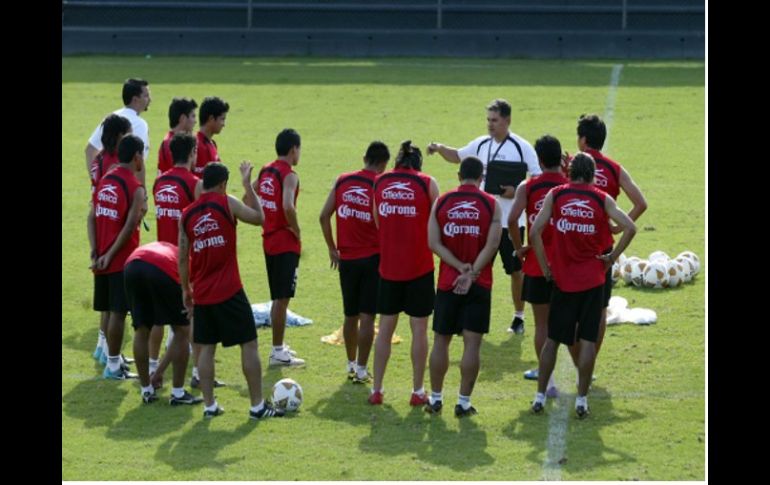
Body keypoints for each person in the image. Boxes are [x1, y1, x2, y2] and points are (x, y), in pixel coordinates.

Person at [528, 153, 636, 418]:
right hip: (593, 281)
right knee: (587, 340)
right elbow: (630, 227)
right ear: (592, 175)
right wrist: (611, 257)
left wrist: (544, 266)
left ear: (570, 172)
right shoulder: (601, 198)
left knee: (552, 340)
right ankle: (582, 400)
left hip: (562, 282)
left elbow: (534, 232)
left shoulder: (556, 195)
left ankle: (540, 396)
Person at [427, 98, 541, 335]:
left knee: (515, 270)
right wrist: (438, 148)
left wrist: (518, 189)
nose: (490, 124)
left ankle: (519, 316)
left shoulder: (522, 147)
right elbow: (457, 156)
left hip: (511, 221)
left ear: (507, 121)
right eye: (488, 120)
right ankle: (467, 316)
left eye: (495, 120)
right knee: (476, 268)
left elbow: (538, 178)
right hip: (480, 221)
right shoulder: (480, 144)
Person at [179, 161, 283, 419]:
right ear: (223, 184)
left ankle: (209, 406)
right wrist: (248, 185)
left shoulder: (187, 215)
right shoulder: (228, 203)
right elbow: (260, 219)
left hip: (202, 293)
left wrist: (186, 290)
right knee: (249, 343)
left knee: (205, 348)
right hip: (229, 291)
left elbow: (183, 257)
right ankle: (257, 406)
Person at [566, 114, 647, 369]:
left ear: (583, 140)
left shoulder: (572, 166)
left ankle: (577, 360)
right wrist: (617, 225)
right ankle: (589, 364)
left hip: (571, 248)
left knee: (569, 309)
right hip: (602, 251)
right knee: (599, 310)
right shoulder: (614, 168)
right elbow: (640, 203)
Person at [425, 156, 501, 417]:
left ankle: (435, 399)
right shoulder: (491, 204)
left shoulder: (442, 202)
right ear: (481, 178)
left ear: (459, 175)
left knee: (441, 341)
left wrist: (458, 267)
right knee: (472, 345)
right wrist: (472, 272)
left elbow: (434, 243)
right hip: (479, 283)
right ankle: (464, 403)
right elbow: (492, 245)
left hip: (448, 282)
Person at [369, 141, 439, 406]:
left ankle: (376, 389)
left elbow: (377, 221)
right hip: (419, 267)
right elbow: (436, 224)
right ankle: (418, 391)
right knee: (419, 330)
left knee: (385, 328)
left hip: (389, 268)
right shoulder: (427, 183)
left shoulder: (380, 182)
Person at [319, 141, 391, 382]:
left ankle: (350, 364)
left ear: (364, 157)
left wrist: (332, 248)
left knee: (350, 316)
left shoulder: (342, 180)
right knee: (368, 316)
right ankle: (361, 369)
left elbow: (323, 216)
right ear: (383, 164)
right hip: (372, 258)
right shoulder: (380, 184)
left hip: (346, 259)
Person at [507, 135, 568, 394]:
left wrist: (519, 247)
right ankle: (580, 371)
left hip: (536, 265)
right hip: (568, 267)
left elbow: (512, 219)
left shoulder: (528, 186)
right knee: (569, 323)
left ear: (539, 160)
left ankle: (549, 382)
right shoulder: (569, 185)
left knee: (542, 325)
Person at [87, 135, 147, 379]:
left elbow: (91, 216)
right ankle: (112, 366)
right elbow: (131, 224)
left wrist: (95, 250)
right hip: (120, 259)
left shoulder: (105, 179)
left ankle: (113, 358)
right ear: (136, 157)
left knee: (110, 311)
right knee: (119, 312)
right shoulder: (135, 188)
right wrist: (111, 254)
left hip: (101, 256)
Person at [149, 132, 202, 380]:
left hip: (158, 259)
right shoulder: (194, 184)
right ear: (192, 153)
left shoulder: (159, 183)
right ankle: (197, 372)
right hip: (184, 261)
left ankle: (152, 366)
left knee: (163, 319)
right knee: (190, 322)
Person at [124, 241, 202, 406]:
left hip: (131, 266)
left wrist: (159, 371)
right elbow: (183, 328)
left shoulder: (170, 248)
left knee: (142, 329)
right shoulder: (189, 262)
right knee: (182, 330)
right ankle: (178, 392)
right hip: (160, 269)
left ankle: (146, 390)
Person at [255, 129, 306, 367]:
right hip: (284, 242)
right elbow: (288, 205)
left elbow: (254, 190)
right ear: (293, 149)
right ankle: (277, 351)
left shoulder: (267, 170)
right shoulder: (289, 175)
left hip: (268, 239)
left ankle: (279, 347)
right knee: (282, 298)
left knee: (278, 296)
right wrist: (296, 229)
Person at [88, 114, 132, 366]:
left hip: (99, 224)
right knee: (115, 303)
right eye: (126, 134)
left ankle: (101, 347)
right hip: (112, 228)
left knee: (105, 299)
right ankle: (108, 352)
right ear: (118, 136)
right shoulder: (115, 162)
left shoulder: (98, 159)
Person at [86, 78, 151, 185]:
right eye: (146, 96)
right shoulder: (140, 124)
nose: (150, 99)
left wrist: (96, 184)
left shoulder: (111, 117)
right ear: (135, 99)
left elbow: (90, 150)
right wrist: (141, 194)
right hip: (124, 192)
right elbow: (138, 162)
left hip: (103, 194)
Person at [157, 97, 198, 174]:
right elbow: (190, 167)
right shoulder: (171, 143)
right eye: (193, 116)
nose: (195, 121)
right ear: (182, 118)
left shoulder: (168, 140)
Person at [194, 96, 229, 176]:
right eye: (222, 119)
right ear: (211, 119)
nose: (224, 124)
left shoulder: (212, 143)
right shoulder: (195, 145)